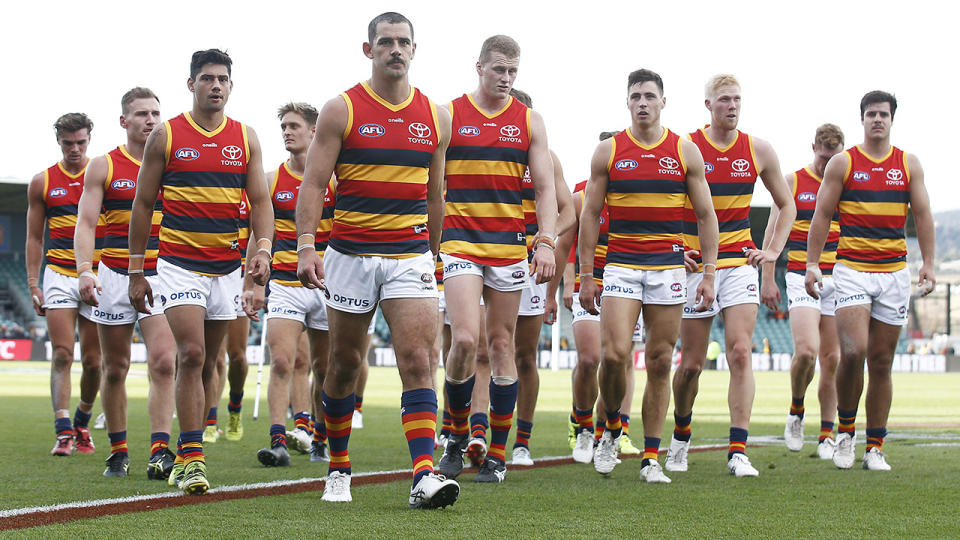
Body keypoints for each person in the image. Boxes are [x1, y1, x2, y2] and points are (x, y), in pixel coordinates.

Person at [296, 12, 458, 508]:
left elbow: (435, 195)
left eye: (403, 42)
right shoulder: (341, 109)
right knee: (343, 363)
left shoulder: (436, 115)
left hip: (410, 256)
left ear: (415, 49)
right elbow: (314, 183)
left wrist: (435, 255)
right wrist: (306, 245)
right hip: (350, 254)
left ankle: (423, 475)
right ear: (368, 50)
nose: (395, 50)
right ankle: (338, 467)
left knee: (418, 360)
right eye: (385, 42)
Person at [128, 49, 274, 495]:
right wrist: (137, 270)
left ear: (231, 86)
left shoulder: (245, 138)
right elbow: (143, 203)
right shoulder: (167, 135)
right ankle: (191, 457)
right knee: (189, 355)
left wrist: (264, 250)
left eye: (223, 79)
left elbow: (262, 203)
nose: (216, 85)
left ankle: (188, 446)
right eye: (207, 78)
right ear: (191, 84)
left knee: (210, 361)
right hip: (178, 266)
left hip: (226, 270)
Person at [578, 69, 718, 482]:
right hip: (620, 265)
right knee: (614, 355)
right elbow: (589, 214)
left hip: (668, 270)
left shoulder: (684, 150)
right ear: (627, 102)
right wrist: (587, 274)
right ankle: (611, 429)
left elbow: (707, 216)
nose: (642, 102)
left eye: (649, 96)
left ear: (662, 102)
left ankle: (651, 457)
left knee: (659, 361)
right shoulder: (608, 150)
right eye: (635, 96)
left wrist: (708, 273)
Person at [435, 36, 558, 484]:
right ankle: (452, 437)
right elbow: (431, 182)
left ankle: (499, 455)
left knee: (503, 346)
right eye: (498, 70)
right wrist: (430, 240)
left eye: (513, 72)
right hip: (460, 242)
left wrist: (544, 241)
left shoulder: (529, 121)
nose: (506, 79)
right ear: (479, 67)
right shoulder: (448, 114)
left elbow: (545, 189)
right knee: (466, 340)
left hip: (508, 246)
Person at [667, 74, 796, 477]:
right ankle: (681, 435)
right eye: (724, 100)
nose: (733, 106)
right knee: (690, 365)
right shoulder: (686, 147)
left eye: (737, 99)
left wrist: (772, 251)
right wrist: (675, 249)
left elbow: (786, 205)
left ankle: (737, 450)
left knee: (741, 353)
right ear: (708, 105)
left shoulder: (758, 149)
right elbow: (661, 202)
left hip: (739, 264)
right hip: (695, 266)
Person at [805, 91, 935, 471]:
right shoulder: (844, 163)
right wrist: (813, 263)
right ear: (862, 119)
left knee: (881, 362)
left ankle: (874, 445)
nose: (878, 119)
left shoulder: (908, 164)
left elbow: (923, 216)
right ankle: (846, 432)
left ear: (892, 120)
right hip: (851, 271)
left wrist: (928, 263)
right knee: (853, 351)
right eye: (871, 114)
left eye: (884, 114)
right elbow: (822, 214)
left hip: (894, 272)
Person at [74, 88, 177, 479]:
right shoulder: (104, 165)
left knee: (164, 362)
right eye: (141, 114)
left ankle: (160, 450)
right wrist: (86, 269)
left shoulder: (171, 163)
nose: (150, 120)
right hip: (114, 274)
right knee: (114, 368)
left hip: (161, 273)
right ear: (124, 121)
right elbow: (85, 224)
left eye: (155, 113)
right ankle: (118, 451)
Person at [759, 124, 845, 459]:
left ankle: (827, 433)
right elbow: (770, 230)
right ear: (813, 149)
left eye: (833, 158)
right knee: (807, 352)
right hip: (799, 273)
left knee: (833, 359)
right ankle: (796, 410)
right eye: (823, 157)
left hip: (838, 276)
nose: (827, 165)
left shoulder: (845, 182)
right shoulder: (794, 182)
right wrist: (768, 277)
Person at [256, 101, 332, 467]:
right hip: (285, 284)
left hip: (327, 286)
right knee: (283, 361)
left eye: (294, 126)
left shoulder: (335, 180)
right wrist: (254, 283)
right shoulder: (271, 180)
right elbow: (263, 233)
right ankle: (278, 441)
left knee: (324, 367)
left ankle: (319, 434)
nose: (287, 131)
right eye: (283, 126)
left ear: (314, 131)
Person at [26, 112, 102, 458]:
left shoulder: (102, 173)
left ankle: (82, 423)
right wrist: (32, 282)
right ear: (58, 141)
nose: (75, 148)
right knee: (61, 353)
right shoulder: (42, 181)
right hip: (58, 272)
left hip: (98, 273)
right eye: (68, 143)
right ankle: (63, 432)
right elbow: (33, 237)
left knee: (94, 361)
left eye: (81, 142)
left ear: (89, 139)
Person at [507, 88, 574, 468]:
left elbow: (570, 213)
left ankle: (522, 441)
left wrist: (544, 239)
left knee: (523, 356)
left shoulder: (546, 160)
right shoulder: (479, 152)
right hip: (484, 259)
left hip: (529, 267)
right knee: (477, 350)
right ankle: (465, 431)